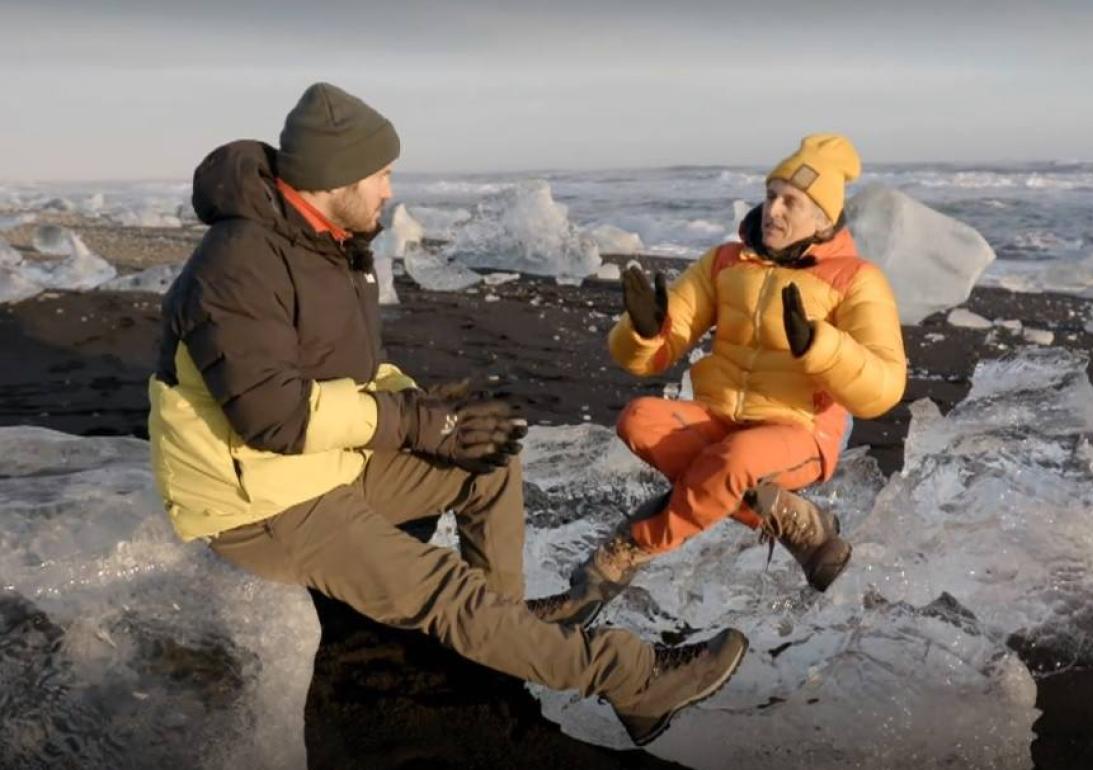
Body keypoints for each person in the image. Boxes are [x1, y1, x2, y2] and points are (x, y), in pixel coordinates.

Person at [146, 81, 746, 747]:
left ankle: (504, 632)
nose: (388, 191)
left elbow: (356, 374)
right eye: (381, 173)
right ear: (334, 175)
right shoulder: (238, 266)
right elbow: (273, 417)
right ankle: (636, 682)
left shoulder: (328, 244)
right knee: (446, 592)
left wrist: (438, 414)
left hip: (317, 463)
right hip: (257, 501)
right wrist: (416, 424)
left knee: (490, 463)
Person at [533, 134, 907, 626]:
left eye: (791, 202)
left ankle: (622, 554)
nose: (773, 210)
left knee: (736, 461)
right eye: (771, 194)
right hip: (721, 416)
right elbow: (654, 352)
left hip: (799, 431)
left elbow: (884, 386)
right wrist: (644, 332)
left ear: (822, 218)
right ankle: (796, 523)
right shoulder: (724, 263)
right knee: (640, 420)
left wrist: (820, 345)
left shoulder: (856, 279)